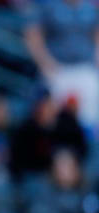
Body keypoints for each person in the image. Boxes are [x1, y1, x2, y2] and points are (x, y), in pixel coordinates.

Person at [24, 0, 99, 134]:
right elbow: (33, 34)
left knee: (89, 119)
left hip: (85, 69)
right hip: (57, 69)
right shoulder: (49, 6)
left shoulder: (90, 8)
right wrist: (45, 63)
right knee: (53, 119)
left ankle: (86, 149)